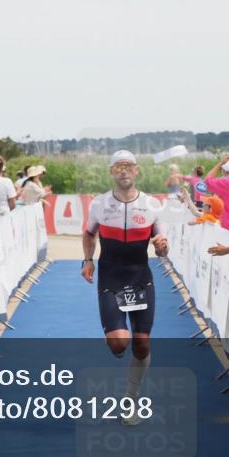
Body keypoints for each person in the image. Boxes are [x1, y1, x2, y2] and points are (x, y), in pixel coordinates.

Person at [82, 150, 168, 426]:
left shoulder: (152, 205)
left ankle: (130, 400)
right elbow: (88, 232)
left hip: (141, 277)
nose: (124, 171)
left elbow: (163, 245)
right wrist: (87, 260)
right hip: (111, 277)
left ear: (137, 170)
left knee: (142, 343)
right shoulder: (99, 204)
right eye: (118, 167)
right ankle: (117, 339)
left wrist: (162, 246)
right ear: (111, 172)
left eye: (128, 166)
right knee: (119, 343)